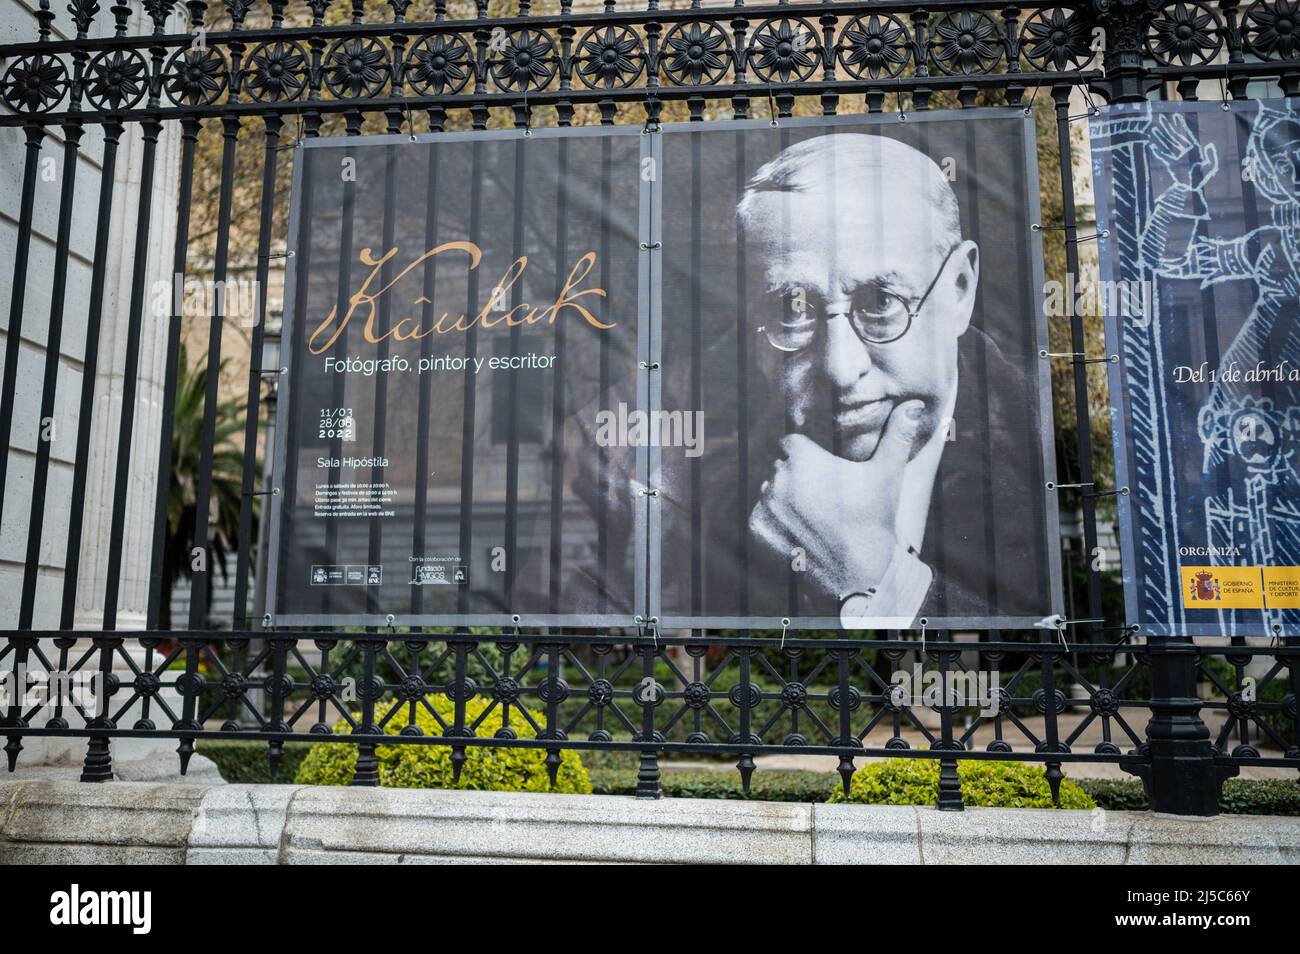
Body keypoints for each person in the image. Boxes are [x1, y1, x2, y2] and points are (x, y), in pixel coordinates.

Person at [730, 133, 1044, 625]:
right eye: (793, 310)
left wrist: (883, 583)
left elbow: (1065, 671)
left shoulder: (1049, 445)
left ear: (960, 289)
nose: (839, 368)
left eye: (881, 303)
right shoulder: (697, 485)